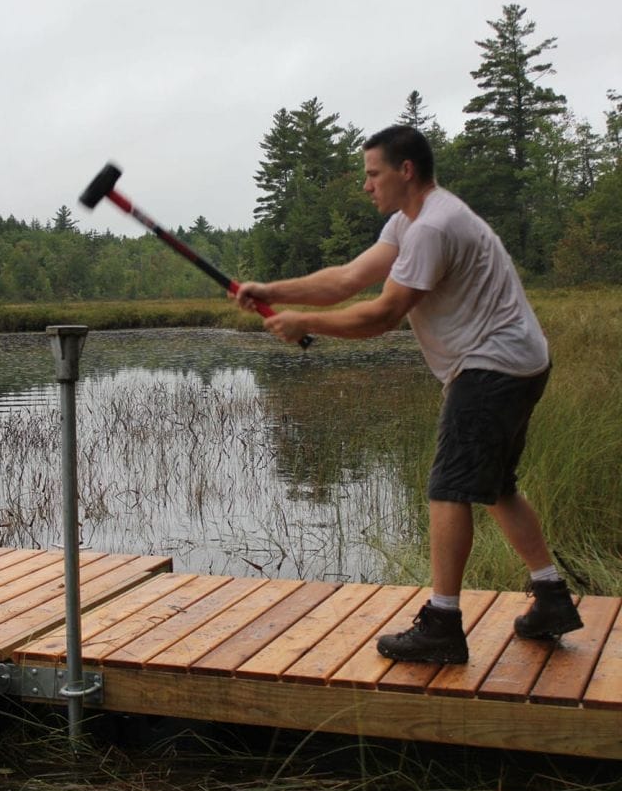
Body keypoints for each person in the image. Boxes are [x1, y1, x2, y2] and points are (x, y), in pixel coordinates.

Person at [234, 124, 583, 664]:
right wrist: (271, 290)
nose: (366, 185)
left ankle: (443, 625)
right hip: (519, 362)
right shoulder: (410, 221)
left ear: (406, 170)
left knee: (448, 488)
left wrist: (304, 321)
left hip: (490, 367)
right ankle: (552, 598)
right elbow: (348, 279)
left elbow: (382, 314)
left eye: (373, 174)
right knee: (496, 487)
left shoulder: (432, 228)